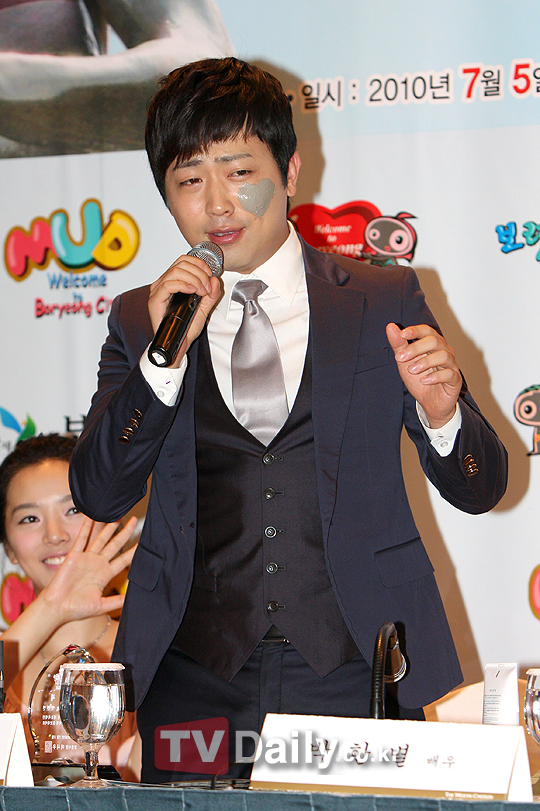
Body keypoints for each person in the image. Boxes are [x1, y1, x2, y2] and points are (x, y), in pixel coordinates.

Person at [69, 57, 508, 783]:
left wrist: (443, 412)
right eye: (189, 180)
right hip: (193, 680)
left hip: (355, 669)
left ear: (291, 171)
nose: (218, 204)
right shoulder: (140, 318)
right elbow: (99, 492)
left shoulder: (381, 299)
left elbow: (481, 486)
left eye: (241, 172)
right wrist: (160, 360)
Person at [0, 433, 139, 779]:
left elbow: (173, 788)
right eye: (29, 518)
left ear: (110, 521)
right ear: (9, 549)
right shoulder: (8, 655)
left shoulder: (155, 654)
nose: (55, 535)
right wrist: (53, 607)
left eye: (73, 510)